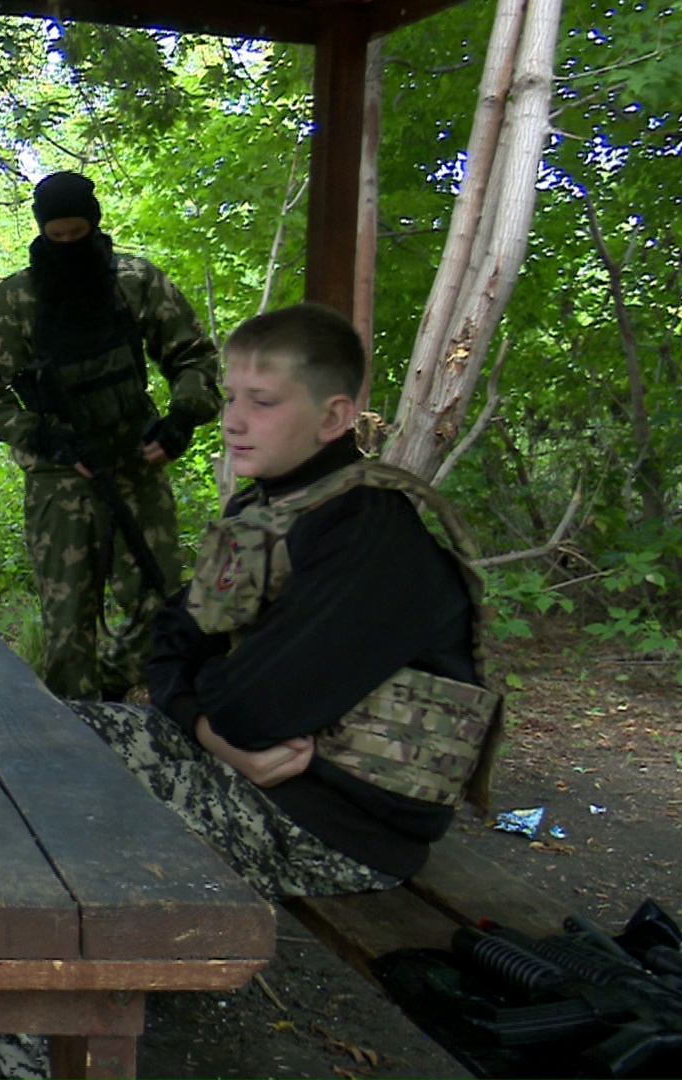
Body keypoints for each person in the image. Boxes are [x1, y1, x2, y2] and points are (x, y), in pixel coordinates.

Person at [71, 302, 502, 899]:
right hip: (230, 762)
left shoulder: (371, 534)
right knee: (34, 740)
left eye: (263, 402)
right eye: (230, 398)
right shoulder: (260, 512)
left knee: (58, 818)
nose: (232, 422)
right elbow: (171, 641)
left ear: (333, 418)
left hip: (330, 828)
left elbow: (254, 707)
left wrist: (217, 703)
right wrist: (205, 724)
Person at [0, 170, 220, 702]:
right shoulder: (19, 299)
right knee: (68, 624)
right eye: (59, 237)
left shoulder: (135, 282)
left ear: (95, 226)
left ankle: (111, 693)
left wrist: (182, 420)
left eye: (79, 234)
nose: (70, 246)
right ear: (43, 232)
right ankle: (75, 733)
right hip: (61, 476)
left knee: (162, 600)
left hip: (135, 464)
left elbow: (194, 355)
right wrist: (41, 436)